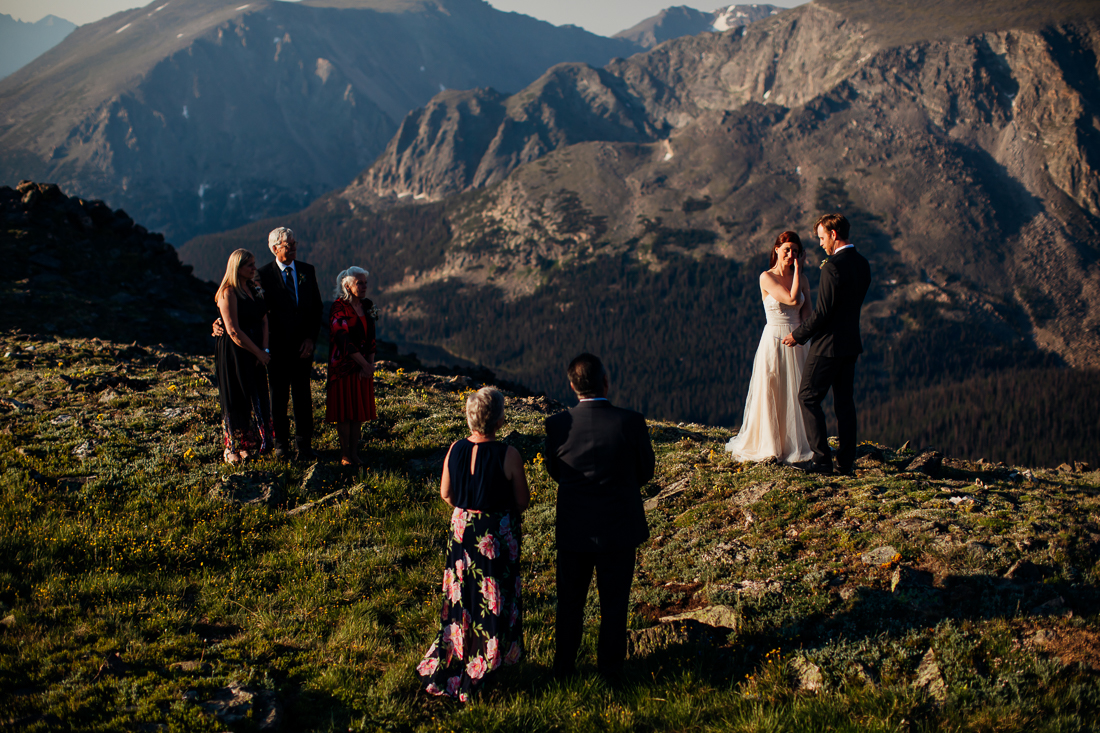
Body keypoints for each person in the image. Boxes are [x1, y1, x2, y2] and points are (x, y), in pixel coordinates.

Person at [544, 353, 655, 679]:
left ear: (571, 385)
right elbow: (645, 472)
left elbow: (555, 471)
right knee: (614, 605)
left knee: (569, 605)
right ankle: (611, 672)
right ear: (606, 382)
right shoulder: (631, 422)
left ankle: (563, 669)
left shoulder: (557, 425)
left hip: (574, 530)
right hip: (619, 529)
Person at [417, 387, 530, 702]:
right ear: (499, 418)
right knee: (495, 594)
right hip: (494, 534)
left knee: (462, 594)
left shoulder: (455, 448)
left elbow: (446, 494)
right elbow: (522, 501)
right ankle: (492, 656)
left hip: (462, 528)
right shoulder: (509, 454)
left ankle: (458, 649)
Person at [213, 227, 323, 461]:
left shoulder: (307, 271)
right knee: (278, 399)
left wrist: (310, 339)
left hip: (302, 348)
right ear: (274, 249)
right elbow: (243, 311)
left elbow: (317, 309)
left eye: (294, 243)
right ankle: (281, 446)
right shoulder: (261, 276)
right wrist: (218, 323)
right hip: (275, 350)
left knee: (303, 398)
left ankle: (305, 446)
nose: (293, 248)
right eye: (288, 245)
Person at [783, 213, 872, 476]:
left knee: (808, 396)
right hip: (851, 344)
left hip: (828, 346)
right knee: (844, 403)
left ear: (834, 235)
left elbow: (823, 313)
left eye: (822, 238)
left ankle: (821, 460)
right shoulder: (863, 264)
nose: (821, 244)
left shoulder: (833, 266)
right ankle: (846, 462)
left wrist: (798, 335)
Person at [725, 231, 814, 463]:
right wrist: (799, 271)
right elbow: (792, 300)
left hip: (798, 339)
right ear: (776, 250)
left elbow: (807, 313)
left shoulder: (802, 279)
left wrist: (803, 335)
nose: (791, 255)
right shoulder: (766, 277)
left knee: (797, 393)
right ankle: (771, 444)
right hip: (775, 338)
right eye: (787, 250)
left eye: (795, 251)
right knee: (773, 388)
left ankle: (796, 443)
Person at [214, 249, 272, 463]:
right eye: (250, 265)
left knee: (253, 393)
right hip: (235, 352)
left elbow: (265, 319)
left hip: (256, 350)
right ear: (237, 268)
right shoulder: (228, 292)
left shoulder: (255, 288)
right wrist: (258, 352)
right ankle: (232, 448)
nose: (254, 269)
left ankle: (248, 444)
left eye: (254, 264)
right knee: (236, 396)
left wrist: (264, 351)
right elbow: (233, 330)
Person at [325, 266, 377, 466]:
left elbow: (372, 336)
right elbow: (342, 338)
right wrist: (364, 365)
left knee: (358, 413)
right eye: (359, 283)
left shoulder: (368, 305)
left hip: (363, 369)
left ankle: (355, 453)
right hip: (344, 368)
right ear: (347, 285)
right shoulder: (338, 307)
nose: (364, 287)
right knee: (345, 413)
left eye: (365, 283)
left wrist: (369, 366)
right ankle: (345, 454)